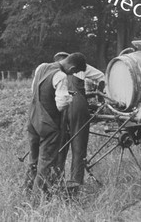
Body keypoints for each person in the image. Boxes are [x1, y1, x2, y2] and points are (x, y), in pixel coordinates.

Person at [24, 52, 87, 194]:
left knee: (33, 159)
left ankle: (27, 189)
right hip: (48, 124)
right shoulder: (61, 76)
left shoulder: (42, 67)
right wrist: (69, 97)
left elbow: (35, 90)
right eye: (74, 72)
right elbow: (61, 104)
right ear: (72, 68)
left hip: (33, 120)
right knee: (46, 162)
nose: (72, 74)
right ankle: (38, 198)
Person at [53, 51, 105, 185]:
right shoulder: (80, 66)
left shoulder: (55, 69)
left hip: (60, 105)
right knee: (79, 146)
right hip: (77, 103)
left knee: (60, 145)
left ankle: (57, 181)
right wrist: (99, 97)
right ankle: (76, 183)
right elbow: (101, 77)